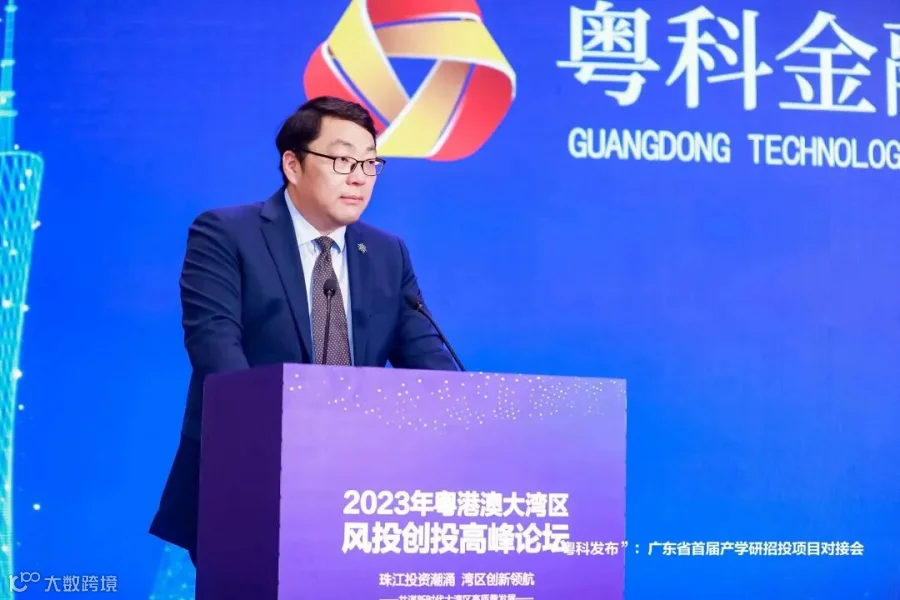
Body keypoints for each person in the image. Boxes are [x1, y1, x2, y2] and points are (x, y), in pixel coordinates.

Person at [148, 96, 457, 566]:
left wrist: (468, 416)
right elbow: (216, 348)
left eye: (370, 163)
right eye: (343, 160)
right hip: (249, 478)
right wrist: (291, 440)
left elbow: (430, 365)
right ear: (293, 165)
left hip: (361, 492)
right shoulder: (226, 234)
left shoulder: (387, 254)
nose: (359, 177)